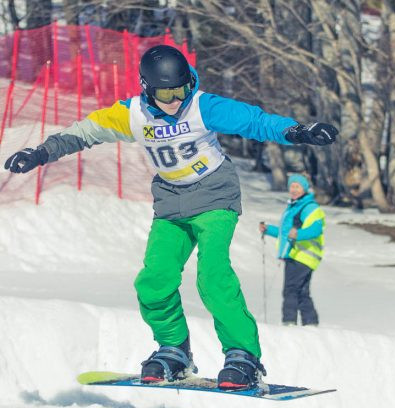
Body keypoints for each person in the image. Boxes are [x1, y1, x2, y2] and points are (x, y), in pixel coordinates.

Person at [4, 45, 338, 389]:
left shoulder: (201, 105)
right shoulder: (132, 114)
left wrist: (298, 131)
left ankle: (243, 356)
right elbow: (85, 132)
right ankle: (174, 350)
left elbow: (254, 121)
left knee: (213, 277)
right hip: (171, 201)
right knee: (153, 282)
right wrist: (41, 152)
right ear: (147, 87)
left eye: (182, 89)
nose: (176, 99)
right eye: (167, 93)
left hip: (215, 195)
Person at [259, 174, 325, 326]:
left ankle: (289, 323)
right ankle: (311, 324)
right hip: (297, 255)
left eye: (297, 186)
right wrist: (268, 230)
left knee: (290, 289)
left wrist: (298, 234)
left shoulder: (310, 207)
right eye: (292, 186)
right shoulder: (295, 207)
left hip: (301, 255)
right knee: (302, 292)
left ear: (305, 188)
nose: (294, 190)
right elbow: (285, 233)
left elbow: (316, 229)